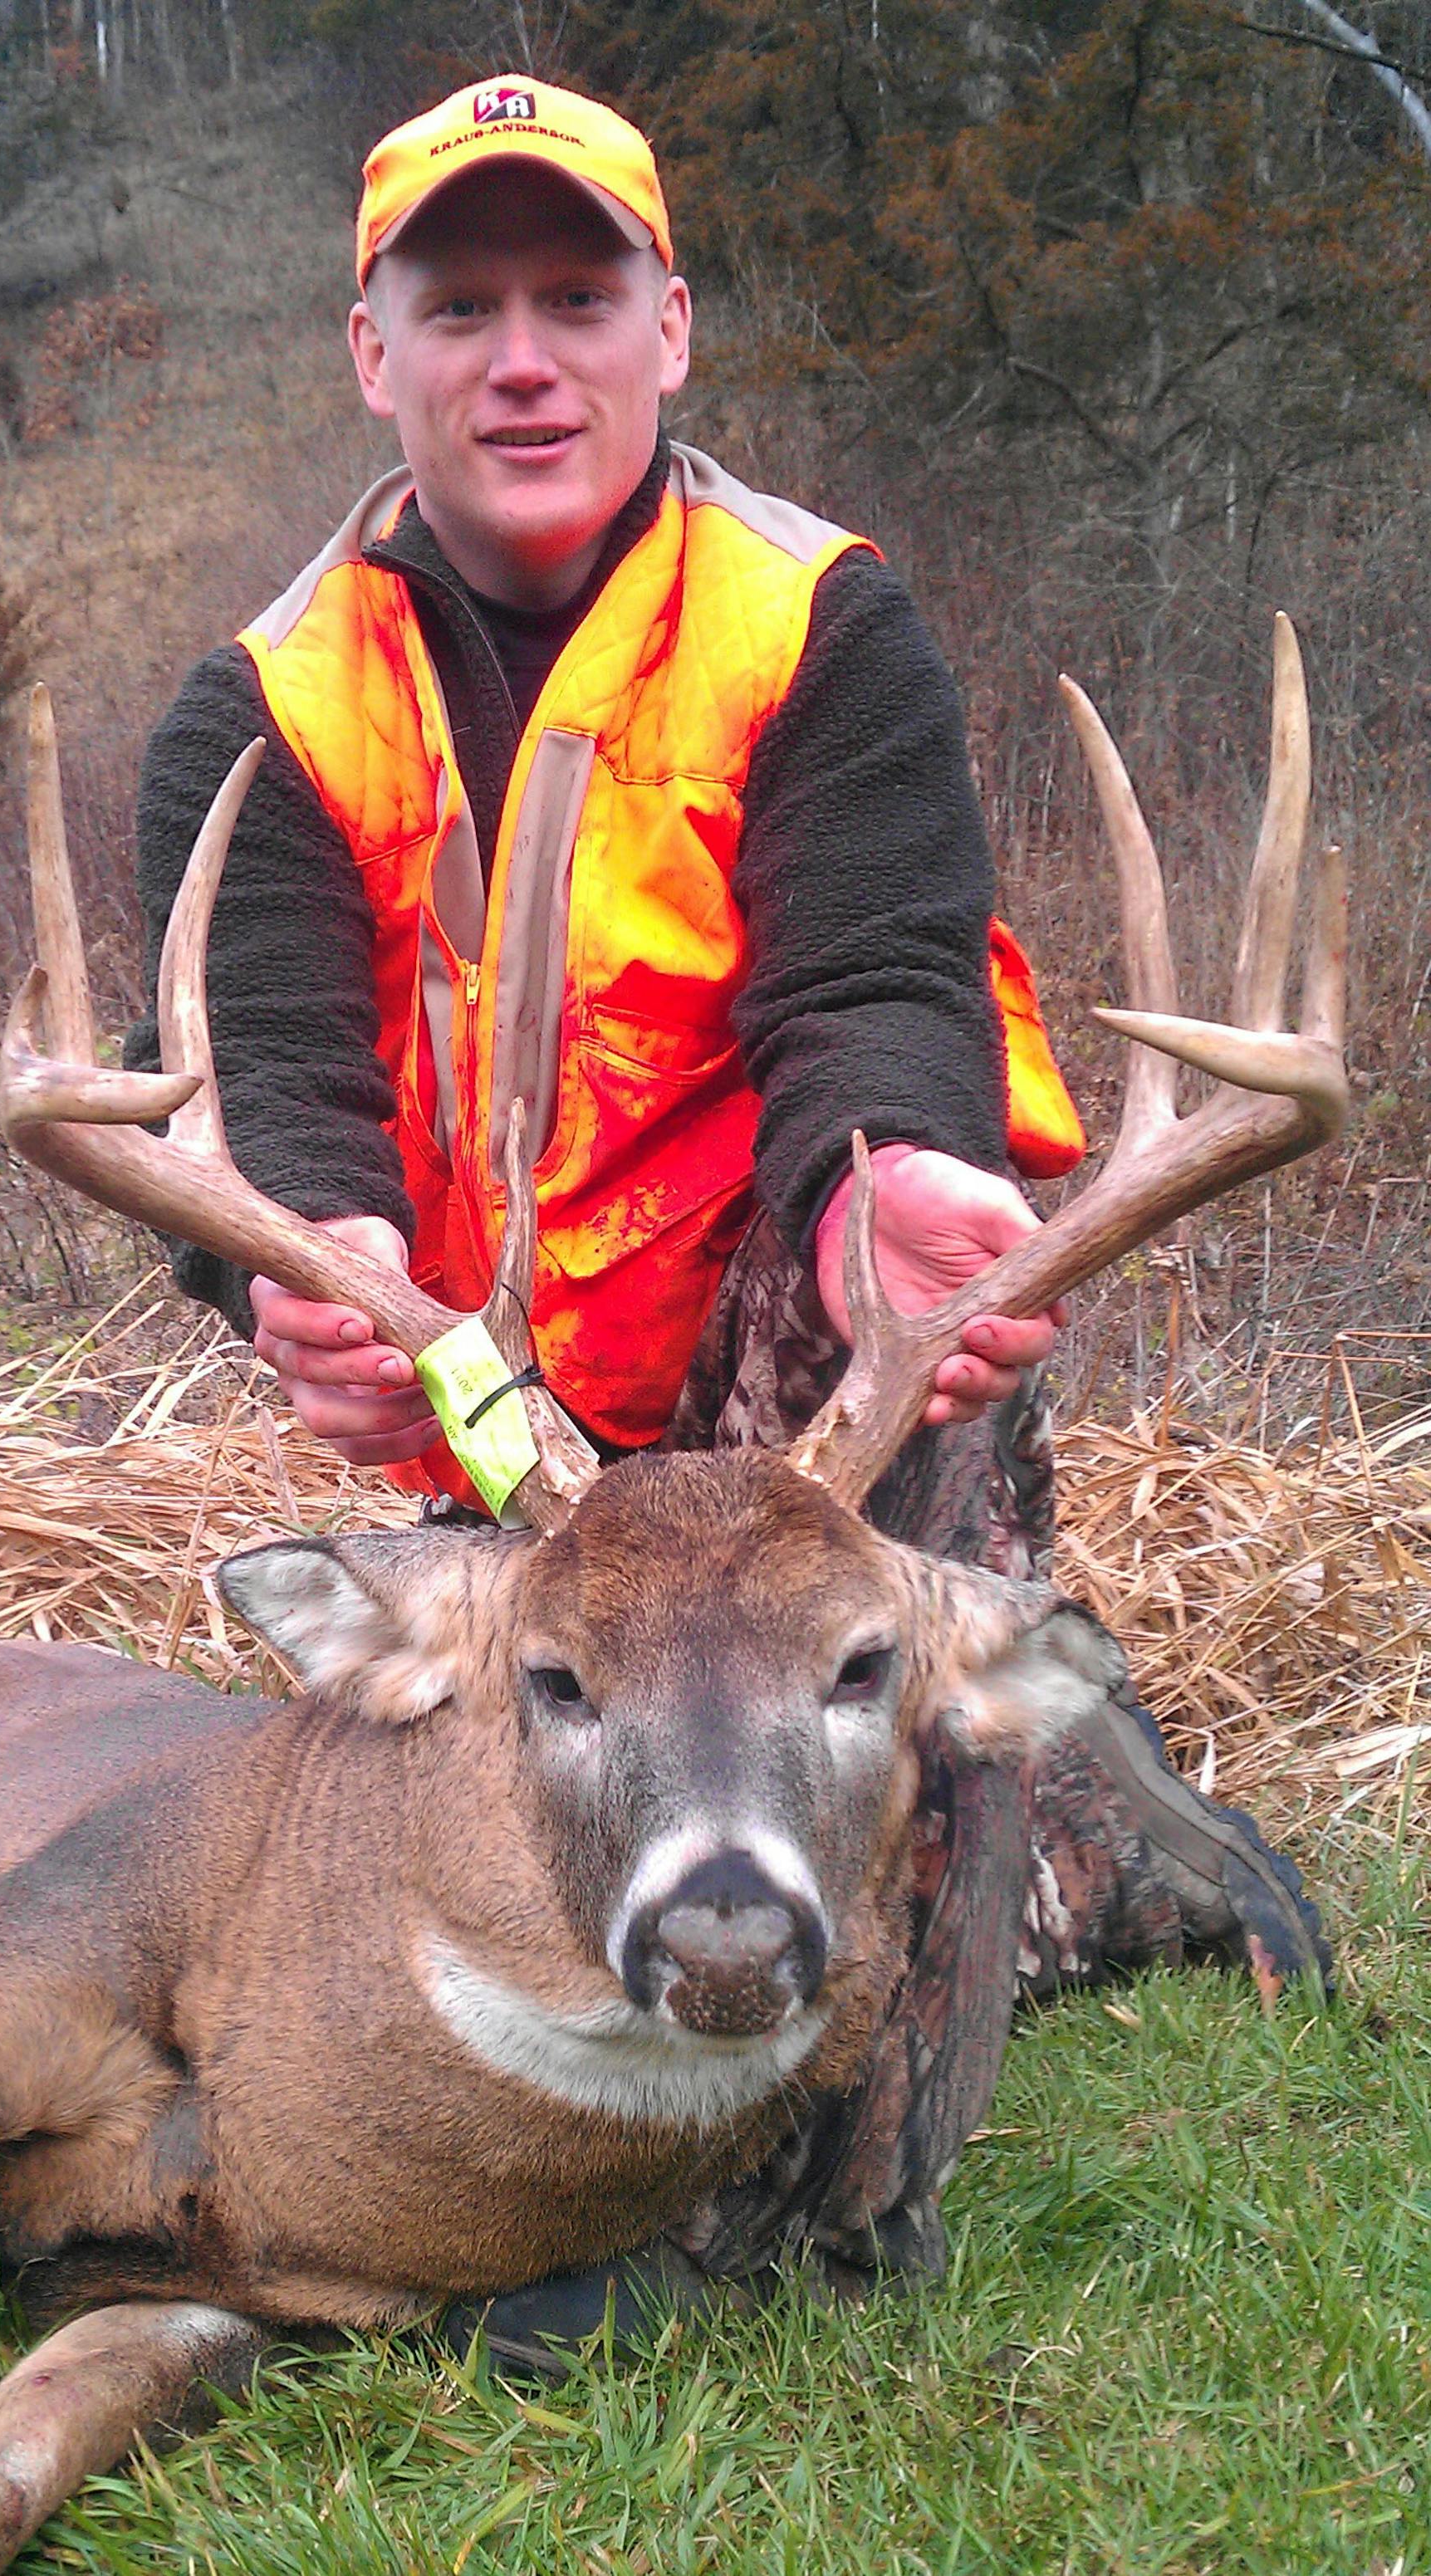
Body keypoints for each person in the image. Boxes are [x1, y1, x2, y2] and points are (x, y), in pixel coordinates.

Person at [126, 76, 1327, 2363]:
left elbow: (870, 979)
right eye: (456, 304)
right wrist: (305, 1262)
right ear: (367, 351)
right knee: (499, 1847)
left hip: (799, 1381)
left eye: (577, 297)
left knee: (825, 2111)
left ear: (670, 327)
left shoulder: (812, 621)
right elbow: (260, 1064)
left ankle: (988, 1947)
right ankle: (1071, 1794)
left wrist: (890, 1195)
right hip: (501, 1426)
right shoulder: (269, 704)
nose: (522, 358)